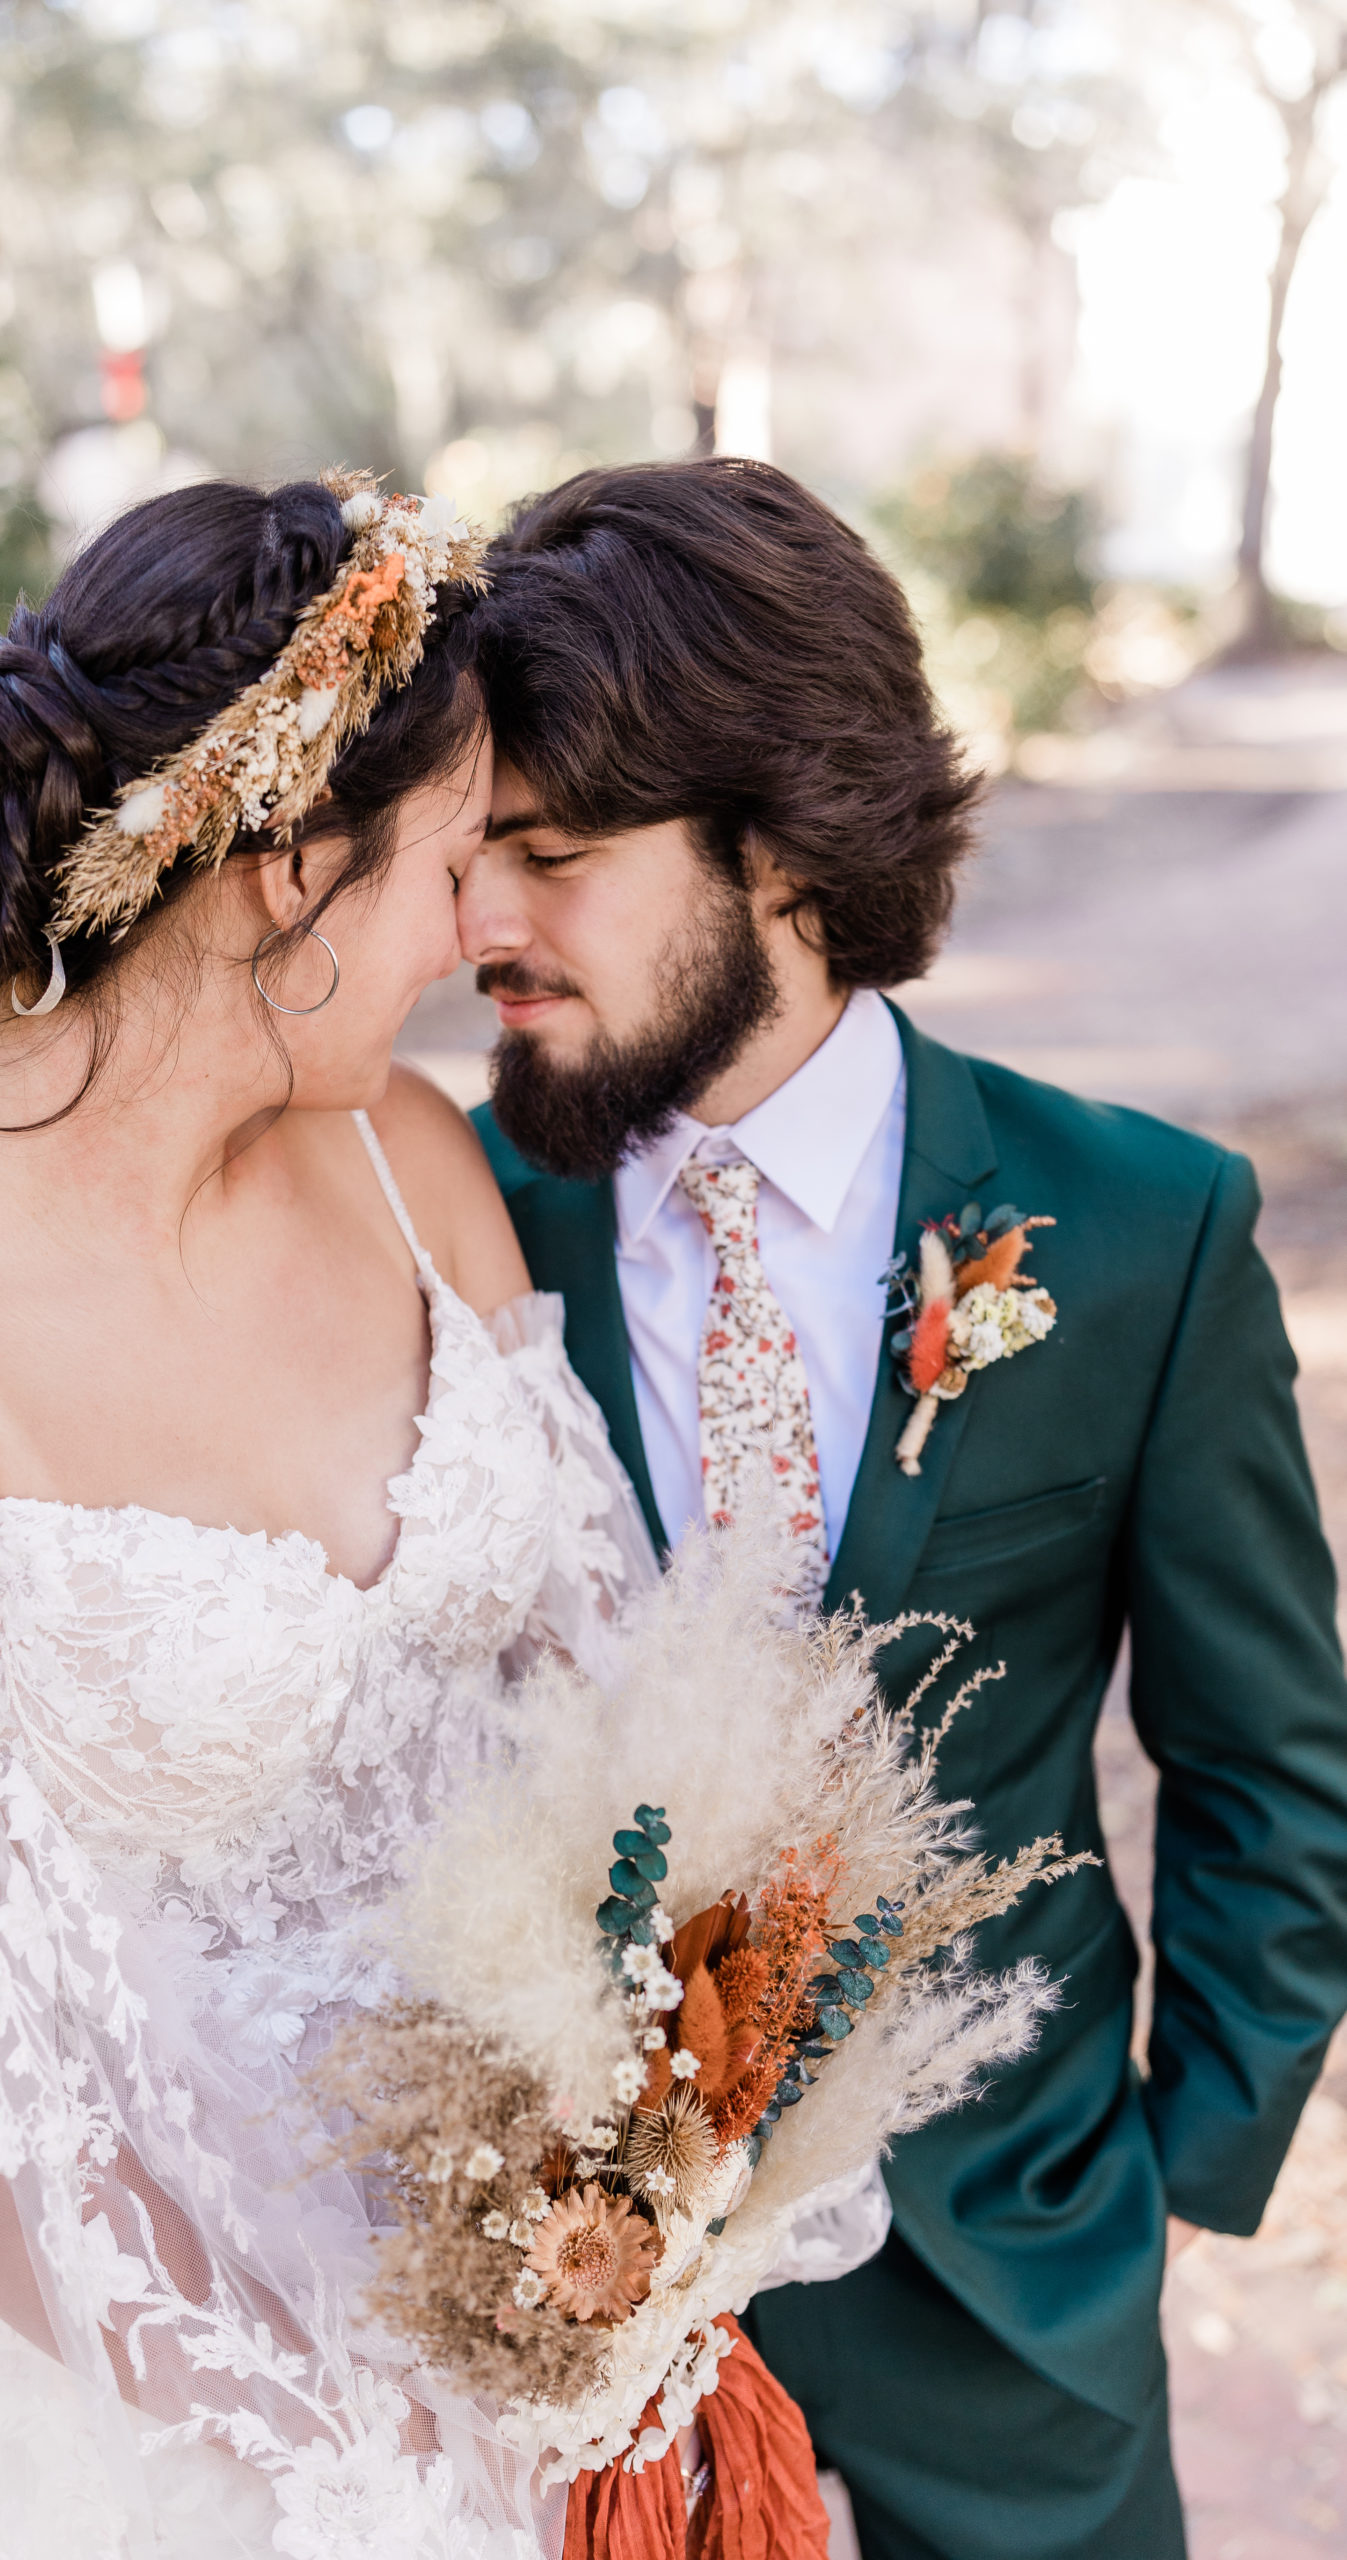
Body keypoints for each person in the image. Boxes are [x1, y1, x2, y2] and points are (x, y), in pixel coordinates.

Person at [0, 473, 688, 2560]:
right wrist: (349, 2456)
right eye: (454, 853)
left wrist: (635, 2220)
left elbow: (609, 1714)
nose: (481, 925)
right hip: (177, 2439)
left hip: (582, 2332)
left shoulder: (407, 1154)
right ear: (281, 863)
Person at [458, 455, 1347, 2560]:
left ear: (771, 847)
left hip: (1014, 2289)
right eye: (469, 856)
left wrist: (1166, 2181)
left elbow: (1268, 1760)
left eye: (551, 856)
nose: (480, 925)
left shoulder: (1139, 1229)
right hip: (555, 2328)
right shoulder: (449, 1231)